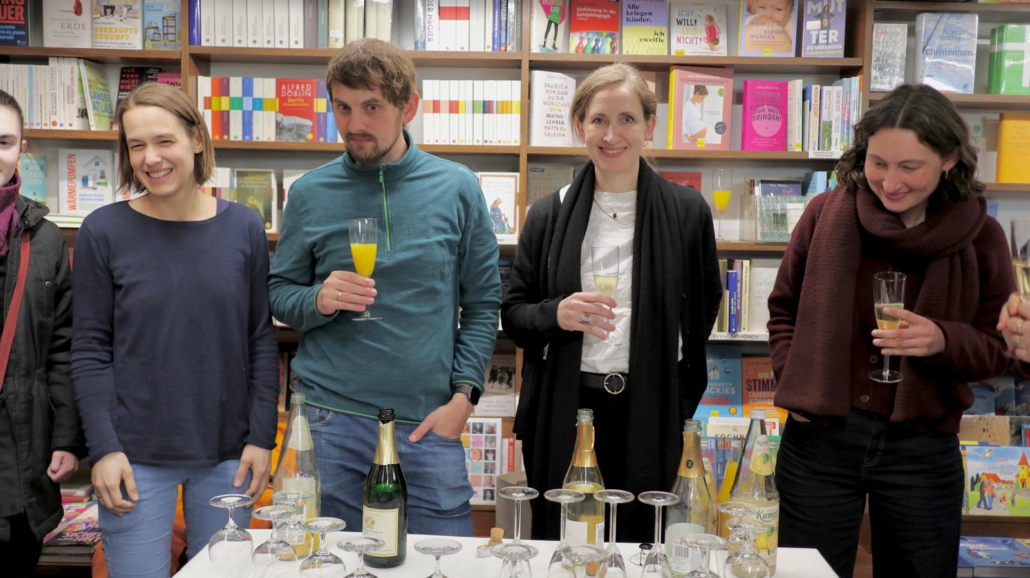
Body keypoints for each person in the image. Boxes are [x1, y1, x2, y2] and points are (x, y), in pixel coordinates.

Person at [768, 83, 1013, 578]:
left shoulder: (981, 237)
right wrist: (798, 379)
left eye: (910, 167)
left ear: (949, 160)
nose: (890, 181)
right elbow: (783, 311)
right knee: (806, 573)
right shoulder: (825, 213)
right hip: (819, 440)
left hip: (922, 447)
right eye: (878, 163)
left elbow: (999, 349)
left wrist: (943, 340)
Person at [267, 38, 501, 537]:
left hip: (428, 423)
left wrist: (464, 397)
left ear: (407, 106)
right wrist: (317, 299)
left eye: (371, 107)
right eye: (343, 107)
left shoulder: (458, 187)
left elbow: (483, 303)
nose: (354, 124)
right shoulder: (308, 193)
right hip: (329, 422)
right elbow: (280, 291)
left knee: (444, 564)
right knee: (330, 563)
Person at [501, 62, 722, 542]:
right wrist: (555, 314)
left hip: (654, 406)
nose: (611, 134)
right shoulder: (548, 214)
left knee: (646, 543)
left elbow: (705, 305)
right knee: (568, 541)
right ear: (579, 125)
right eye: (598, 119)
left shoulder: (687, 212)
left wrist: (667, 373)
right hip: (567, 407)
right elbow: (514, 315)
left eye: (627, 119)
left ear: (649, 125)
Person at [71, 83, 280, 577]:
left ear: (197, 140)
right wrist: (103, 449)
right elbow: (90, 351)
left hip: (229, 454)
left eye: (164, 141)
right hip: (133, 457)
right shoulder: (102, 231)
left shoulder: (245, 227)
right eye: (136, 145)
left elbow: (259, 340)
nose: (151, 158)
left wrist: (261, 438)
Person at [0, 91, 83, 577]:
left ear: (21, 149)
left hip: (21, 463)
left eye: (4, 142)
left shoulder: (46, 237)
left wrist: (67, 438)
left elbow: (63, 347)